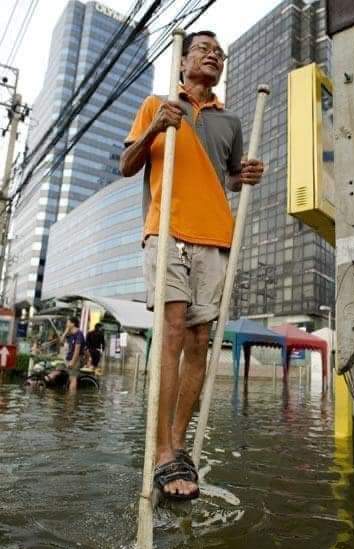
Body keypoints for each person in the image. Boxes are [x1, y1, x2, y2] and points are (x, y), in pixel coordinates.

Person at [120, 31, 264, 500]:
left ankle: (179, 440)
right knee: (174, 327)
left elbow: (230, 176)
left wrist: (244, 176)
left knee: (201, 340)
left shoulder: (230, 120)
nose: (214, 58)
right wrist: (156, 127)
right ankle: (161, 449)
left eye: (219, 54)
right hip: (165, 230)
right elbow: (125, 163)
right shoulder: (157, 104)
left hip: (214, 237)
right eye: (204, 51)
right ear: (183, 62)